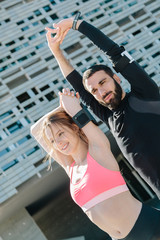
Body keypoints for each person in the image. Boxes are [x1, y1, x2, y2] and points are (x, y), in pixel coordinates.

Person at [45, 13, 160, 200]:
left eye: (103, 82)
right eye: (94, 90)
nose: (101, 91)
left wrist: (76, 24)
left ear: (116, 77)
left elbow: (114, 51)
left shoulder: (145, 93)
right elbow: (75, 81)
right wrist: (56, 51)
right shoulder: (109, 117)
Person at [30, 88, 160, 240]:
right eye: (53, 141)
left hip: (149, 225)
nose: (58, 143)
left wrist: (67, 106)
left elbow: (82, 120)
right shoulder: (70, 168)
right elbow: (35, 130)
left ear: (74, 127)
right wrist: (60, 108)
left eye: (60, 134)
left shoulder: (98, 150)